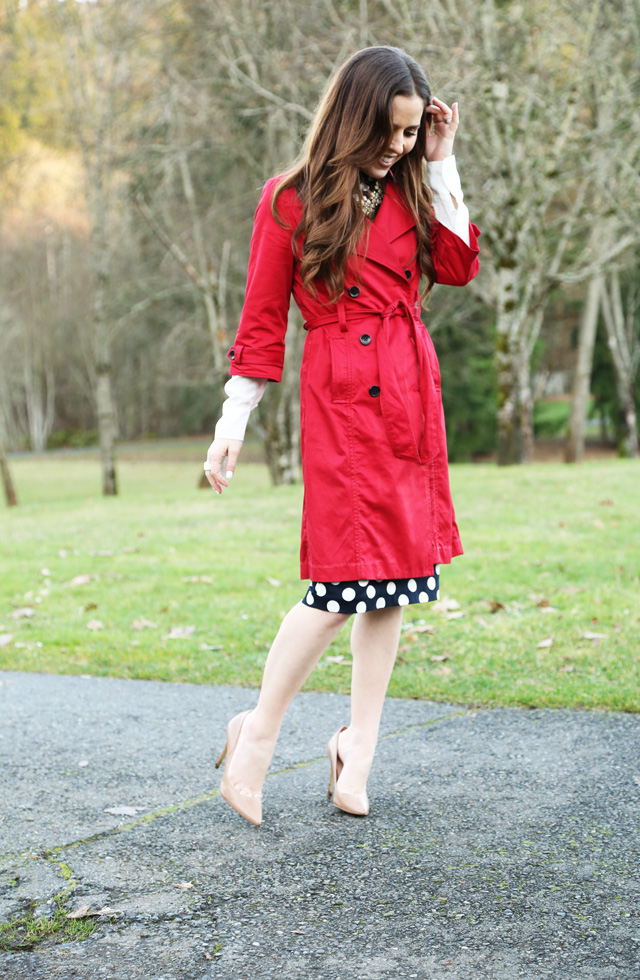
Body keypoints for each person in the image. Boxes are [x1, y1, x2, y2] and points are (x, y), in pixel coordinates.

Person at [205, 46, 480, 825]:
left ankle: (358, 748)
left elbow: (459, 267)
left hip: (408, 397)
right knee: (337, 586)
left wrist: (440, 161)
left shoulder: (413, 192)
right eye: (390, 132)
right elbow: (261, 324)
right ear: (355, 117)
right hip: (340, 404)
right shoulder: (287, 201)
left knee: (395, 586)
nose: (398, 146)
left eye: (409, 132)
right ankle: (256, 734)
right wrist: (234, 425)